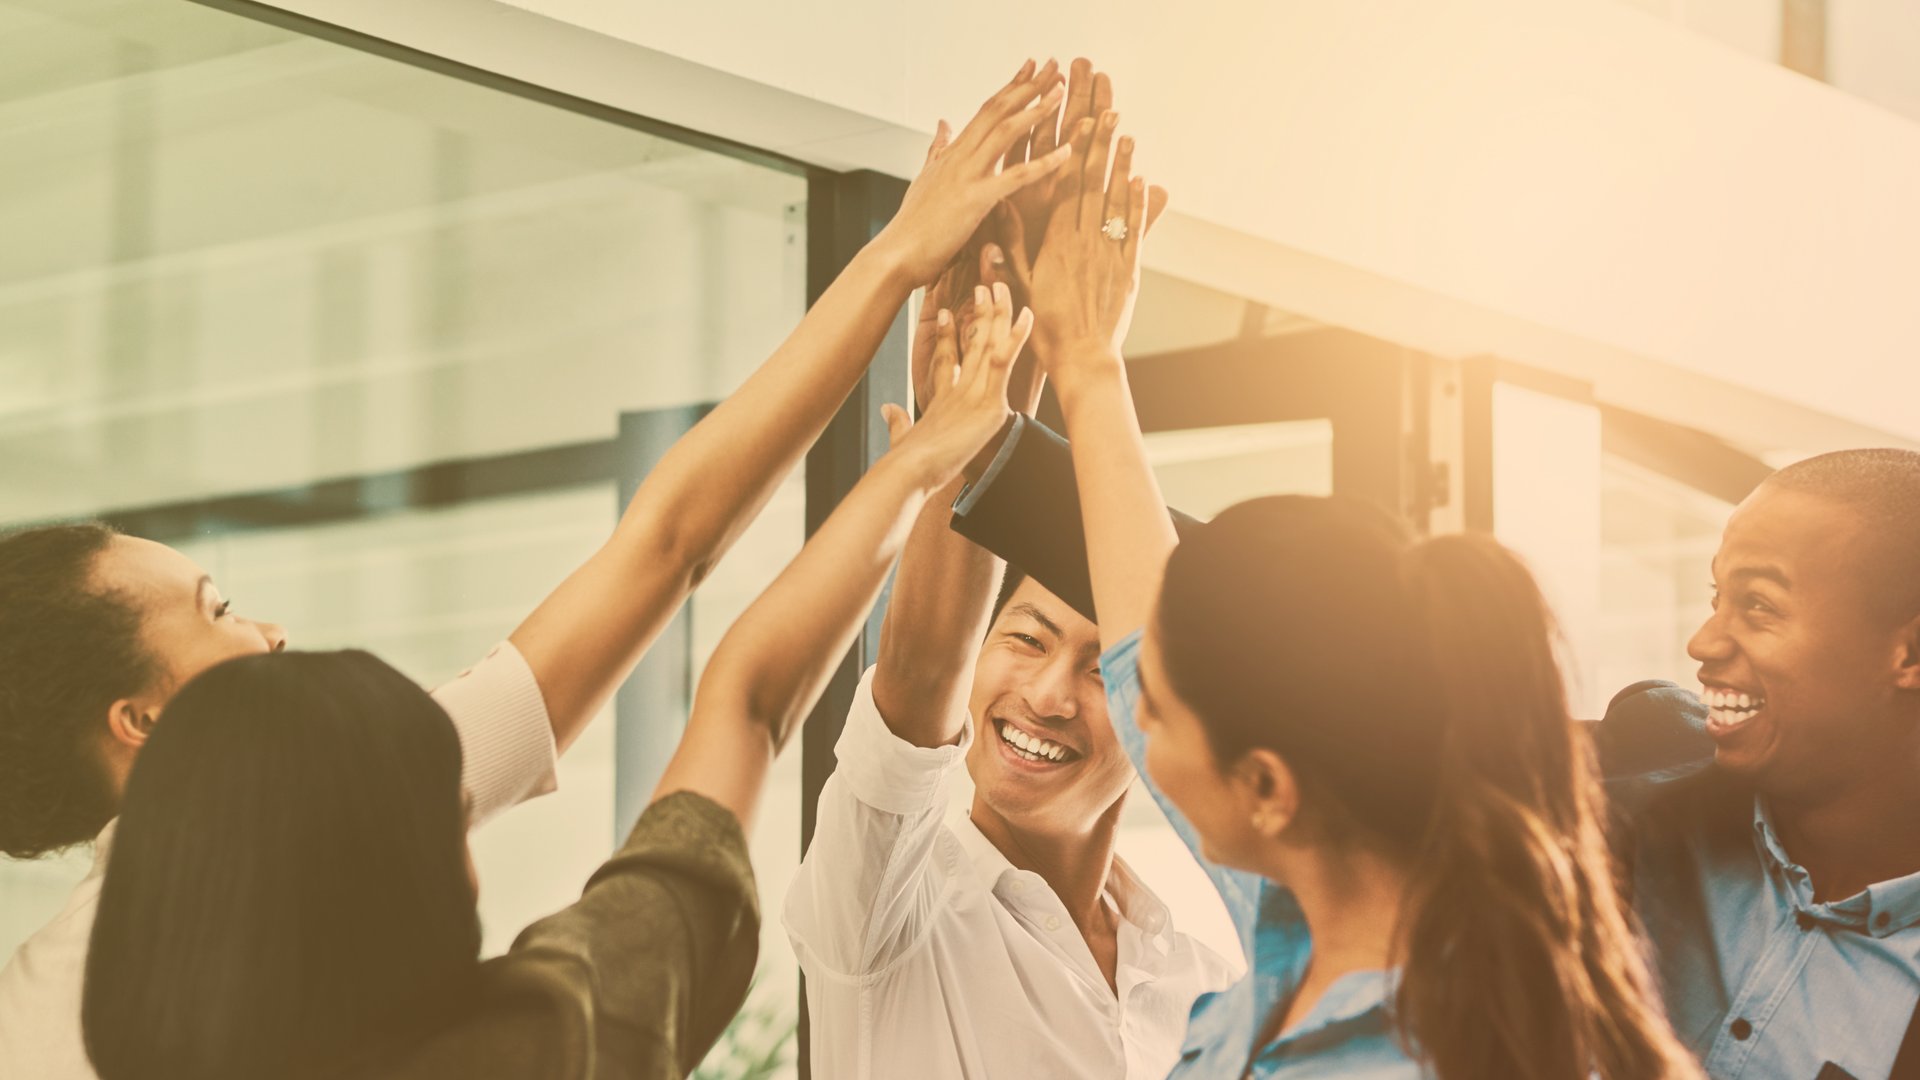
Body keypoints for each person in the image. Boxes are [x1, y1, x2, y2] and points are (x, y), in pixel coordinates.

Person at [0, 59, 1072, 1080]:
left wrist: (900, 286)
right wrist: (917, 389)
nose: (268, 632)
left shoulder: (34, 1018)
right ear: (140, 719)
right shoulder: (502, 970)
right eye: (218, 608)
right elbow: (711, 636)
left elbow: (673, 556)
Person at [940, 100, 1701, 1078]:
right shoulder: (1314, 906)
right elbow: (1147, 626)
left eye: (1155, 708)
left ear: (1266, 787)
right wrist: (1085, 360)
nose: (1128, 705)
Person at [784, 61, 1229, 1080]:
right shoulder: (885, 912)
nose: (1047, 693)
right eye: (1025, 636)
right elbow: (914, 689)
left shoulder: (1202, 983)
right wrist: (995, 386)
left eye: (1100, 665)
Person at [1594, 448, 1920, 1080]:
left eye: (1759, 605)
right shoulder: (1616, 824)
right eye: (1717, 597)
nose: (1702, 642)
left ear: (1909, 653)